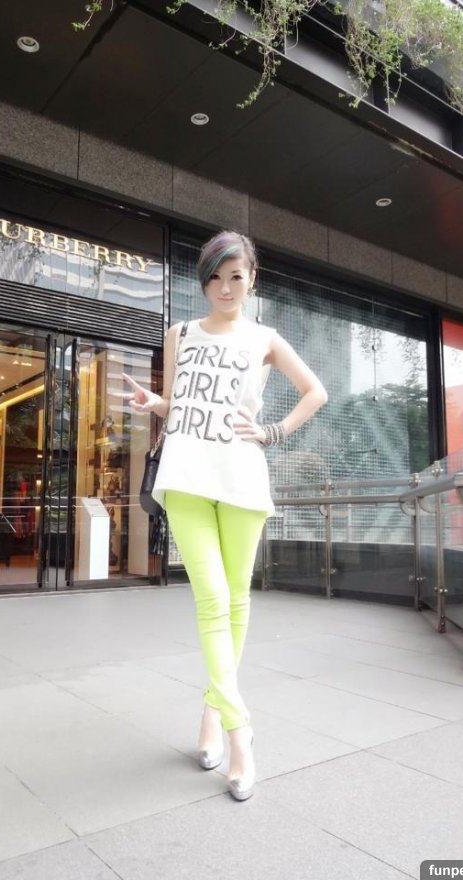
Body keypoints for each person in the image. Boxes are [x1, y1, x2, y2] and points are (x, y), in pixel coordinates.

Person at [119, 230, 327, 801]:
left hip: (241, 476)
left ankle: (211, 714)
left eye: (236, 276)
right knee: (212, 600)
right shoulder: (180, 333)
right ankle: (240, 734)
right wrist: (156, 403)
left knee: (236, 601)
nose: (226, 288)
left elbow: (315, 392)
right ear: (203, 282)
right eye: (215, 277)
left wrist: (273, 432)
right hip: (186, 475)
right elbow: (182, 406)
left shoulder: (265, 338)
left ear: (252, 279)